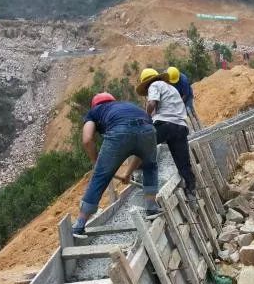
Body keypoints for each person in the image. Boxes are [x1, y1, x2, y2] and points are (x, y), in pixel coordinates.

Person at [72, 92, 159, 235]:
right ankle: (152, 208)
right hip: (148, 129)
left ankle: (79, 225)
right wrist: (128, 174)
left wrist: (96, 162)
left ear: (95, 105)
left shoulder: (94, 112)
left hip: (119, 132)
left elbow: (87, 139)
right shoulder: (128, 105)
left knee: (100, 177)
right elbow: (141, 155)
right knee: (150, 166)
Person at [137, 68, 196, 201]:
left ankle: (138, 171)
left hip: (166, 125)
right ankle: (191, 190)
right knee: (183, 163)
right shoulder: (171, 88)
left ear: (146, 83)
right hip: (181, 127)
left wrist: (146, 118)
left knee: (141, 144)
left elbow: (152, 103)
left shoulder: (154, 85)